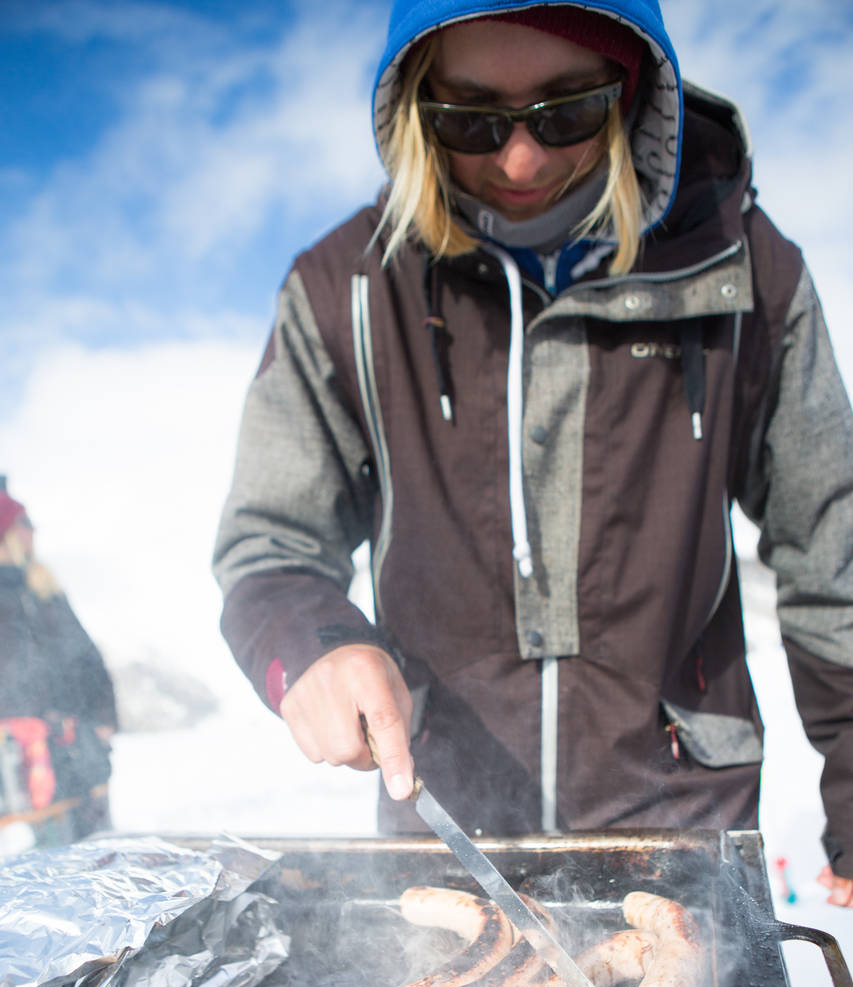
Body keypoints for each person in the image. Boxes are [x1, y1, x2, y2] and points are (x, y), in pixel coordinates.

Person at [213, 1, 853, 907]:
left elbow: (835, 549)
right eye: (470, 120)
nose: (519, 162)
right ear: (415, 110)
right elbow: (269, 545)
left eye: (567, 113)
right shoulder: (346, 289)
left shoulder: (744, 269)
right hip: (444, 841)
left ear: (630, 94)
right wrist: (309, 648)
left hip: (680, 833)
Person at [0, 478, 117, 845]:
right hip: (22, 763)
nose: (33, 531)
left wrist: (103, 718)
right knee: (42, 860)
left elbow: (87, 658)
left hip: (77, 748)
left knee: (98, 850)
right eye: (24, 523)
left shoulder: (44, 587)